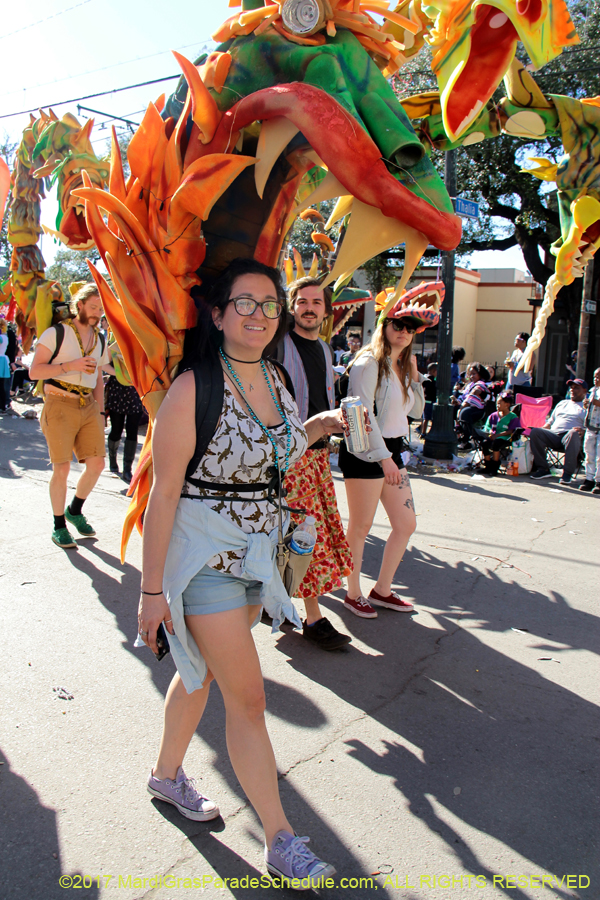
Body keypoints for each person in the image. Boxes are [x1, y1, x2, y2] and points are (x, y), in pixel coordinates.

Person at [137, 258, 343, 885]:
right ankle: (281, 838)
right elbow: (162, 495)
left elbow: (273, 452)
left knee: (197, 676)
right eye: (244, 303)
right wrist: (150, 595)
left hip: (260, 556)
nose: (259, 314)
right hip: (205, 560)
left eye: (269, 303)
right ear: (219, 314)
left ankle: (166, 776)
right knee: (248, 698)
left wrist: (318, 428)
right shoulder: (192, 387)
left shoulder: (279, 380)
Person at [338, 297, 433, 619]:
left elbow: (416, 413)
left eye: (412, 328)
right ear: (385, 325)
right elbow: (358, 415)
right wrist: (384, 459)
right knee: (361, 527)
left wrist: (416, 376)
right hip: (365, 452)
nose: (405, 332)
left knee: (406, 524)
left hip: (392, 450)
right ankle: (353, 593)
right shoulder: (367, 363)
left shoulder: (402, 367)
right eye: (399, 324)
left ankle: (382, 589)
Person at [278, 276, 353, 650]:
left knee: (294, 532)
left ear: (325, 311)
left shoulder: (325, 348)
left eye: (316, 303)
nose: (309, 308)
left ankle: (272, 599)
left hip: (318, 453)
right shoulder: (277, 343)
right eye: (302, 301)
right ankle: (313, 618)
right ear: (292, 306)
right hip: (288, 452)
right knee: (305, 535)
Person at [29, 284, 110, 548]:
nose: (97, 312)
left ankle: (74, 510)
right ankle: (59, 526)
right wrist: (70, 366)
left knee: (97, 465)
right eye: (93, 306)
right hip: (59, 402)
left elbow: (98, 375)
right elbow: (34, 372)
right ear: (80, 305)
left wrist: (100, 411)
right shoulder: (57, 332)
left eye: (101, 308)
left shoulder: (99, 339)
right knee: (62, 468)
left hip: (88, 406)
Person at [529, 379, 587, 485]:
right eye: (571, 388)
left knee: (573, 433)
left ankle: (567, 474)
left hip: (572, 437)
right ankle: (543, 469)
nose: (573, 390)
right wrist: (541, 429)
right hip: (554, 435)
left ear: (585, 391)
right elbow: (550, 422)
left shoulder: (586, 406)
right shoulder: (562, 403)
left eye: (577, 388)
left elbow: (592, 427)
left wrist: (584, 431)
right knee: (535, 432)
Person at [104, 341, 144, 483]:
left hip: (135, 391)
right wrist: (120, 373)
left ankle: (127, 468)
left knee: (132, 430)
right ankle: (112, 460)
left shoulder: (142, 339)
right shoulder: (114, 342)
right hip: (117, 390)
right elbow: (103, 364)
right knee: (116, 429)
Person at [477, 391, 520, 476]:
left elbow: (511, 431)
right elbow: (487, 427)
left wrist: (498, 435)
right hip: (493, 436)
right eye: (497, 403)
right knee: (484, 443)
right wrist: (490, 432)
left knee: (496, 444)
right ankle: (487, 466)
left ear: (507, 404)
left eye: (499, 403)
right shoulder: (493, 416)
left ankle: (494, 467)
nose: (497, 405)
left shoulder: (513, 417)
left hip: (505, 438)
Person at [451, 362, 491, 449]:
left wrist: (461, 408)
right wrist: (457, 402)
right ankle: (457, 432)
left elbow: (471, 398)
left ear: (480, 374)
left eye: (474, 374)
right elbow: (464, 396)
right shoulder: (470, 385)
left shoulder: (481, 384)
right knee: (453, 408)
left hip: (478, 409)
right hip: (468, 406)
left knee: (464, 413)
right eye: (471, 374)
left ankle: (466, 440)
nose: (472, 376)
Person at [579, 368, 600, 493]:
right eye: (595, 377)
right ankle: (589, 478)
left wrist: (595, 402)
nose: (596, 379)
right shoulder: (593, 390)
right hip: (591, 426)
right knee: (589, 454)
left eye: (598, 377)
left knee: (599, 456)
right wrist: (587, 404)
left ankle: (598, 480)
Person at [420, 362, 437, 436]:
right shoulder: (432, 380)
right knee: (430, 419)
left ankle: (423, 432)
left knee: (425, 418)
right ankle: (426, 432)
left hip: (425, 401)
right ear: (434, 371)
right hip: (430, 401)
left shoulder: (424, 378)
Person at [0, 319, 12, 413]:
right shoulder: (5, 337)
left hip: (1, 360)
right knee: (1, 385)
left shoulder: (1, 337)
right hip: (3, 360)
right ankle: (3, 406)